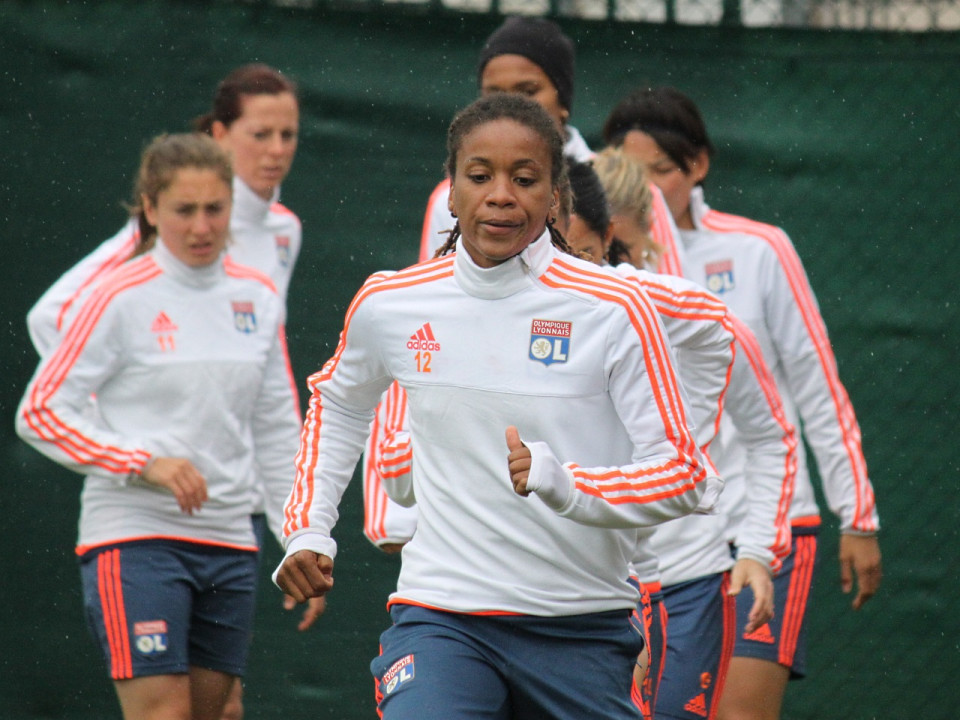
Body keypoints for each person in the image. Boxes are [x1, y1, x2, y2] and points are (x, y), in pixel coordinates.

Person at [275, 93, 721, 720]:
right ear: (451, 191)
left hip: (582, 626)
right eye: (479, 176)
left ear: (555, 196)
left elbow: (685, 473)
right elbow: (339, 402)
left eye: (525, 177)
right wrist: (308, 527)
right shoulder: (391, 301)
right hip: (441, 617)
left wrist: (566, 485)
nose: (501, 194)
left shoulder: (615, 308)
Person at [23, 64, 307, 720]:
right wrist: (140, 460)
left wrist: (301, 535)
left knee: (218, 713)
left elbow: (276, 422)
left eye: (216, 209)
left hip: (232, 538)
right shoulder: (117, 294)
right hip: (136, 534)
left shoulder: (257, 296)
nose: (203, 225)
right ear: (150, 211)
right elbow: (41, 410)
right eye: (185, 210)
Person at [603, 86, 882, 720]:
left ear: (697, 165)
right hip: (671, 543)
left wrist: (857, 513)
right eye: (631, 172)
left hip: (772, 520)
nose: (646, 190)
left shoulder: (759, 248)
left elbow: (816, 385)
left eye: (660, 172)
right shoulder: (596, 272)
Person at [363, 14, 688, 554]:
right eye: (495, 92)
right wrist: (395, 516)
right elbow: (418, 337)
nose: (517, 104)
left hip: (599, 500)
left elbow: (668, 315)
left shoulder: (620, 182)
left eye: (529, 89)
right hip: (481, 496)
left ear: (563, 100)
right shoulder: (453, 196)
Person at [568, 151, 797, 720]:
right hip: (578, 588)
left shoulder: (697, 320)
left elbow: (771, 437)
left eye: (583, 251)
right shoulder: (533, 322)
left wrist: (758, 550)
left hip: (685, 581)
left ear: (613, 234)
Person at [27, 63, 303, 355]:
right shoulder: (177, 222)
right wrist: (104, 399)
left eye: (288, 135)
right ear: (220, 134)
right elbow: (51, 316)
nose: (277, 150)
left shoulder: (286, 230)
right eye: (260, 134)